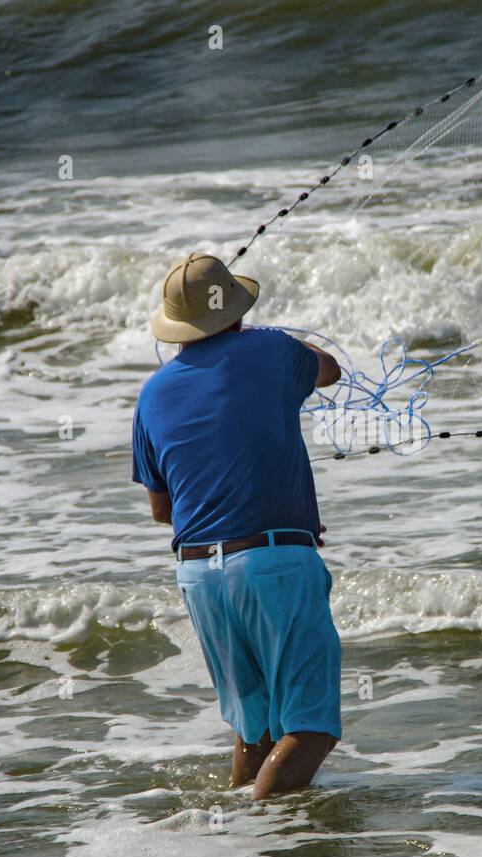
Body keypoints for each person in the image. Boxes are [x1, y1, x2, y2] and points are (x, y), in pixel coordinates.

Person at [131, 251, 343, 800]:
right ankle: (263, 835)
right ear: (237, 313)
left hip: (200, 575)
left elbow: (162, 510)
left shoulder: (152, 394)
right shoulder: (270, 350)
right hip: (273, 562)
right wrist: (262, 334)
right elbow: (329, 369)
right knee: (311, 728)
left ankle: (237, 839)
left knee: (257, 731)